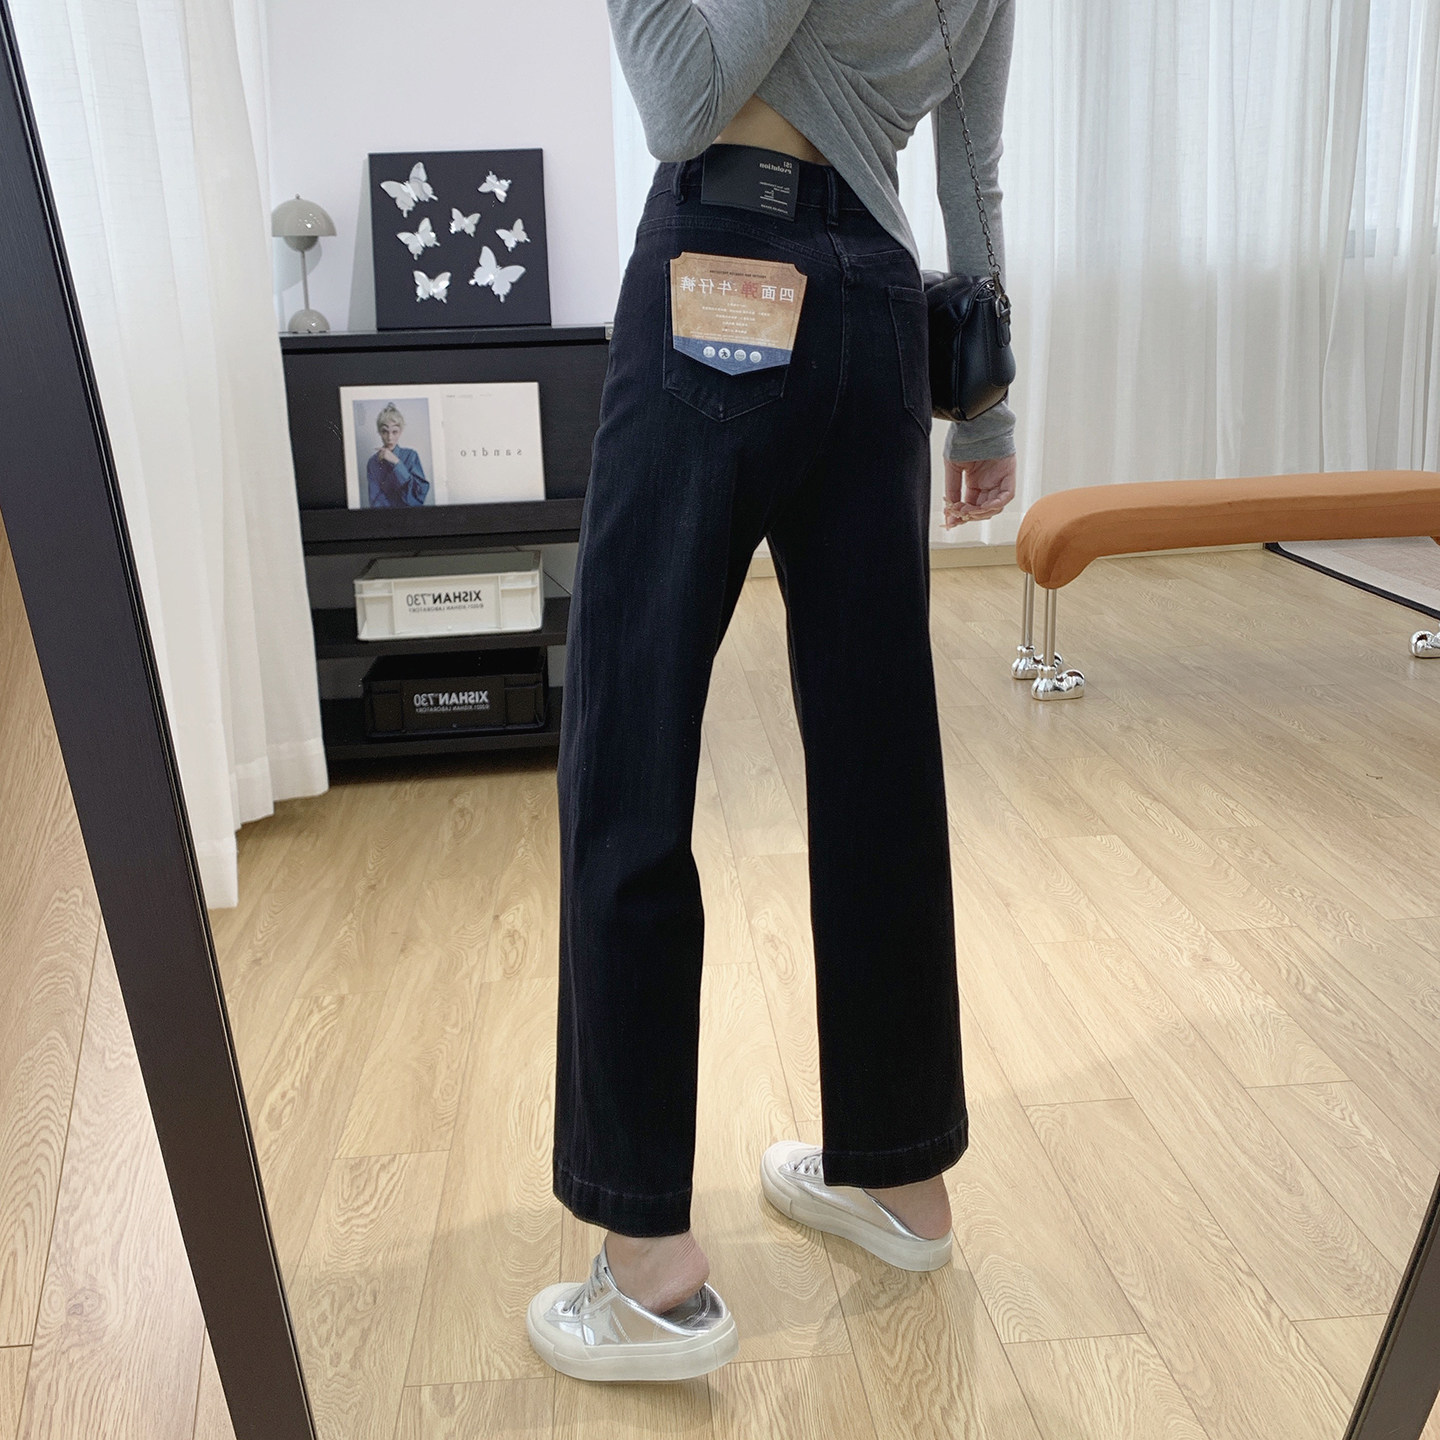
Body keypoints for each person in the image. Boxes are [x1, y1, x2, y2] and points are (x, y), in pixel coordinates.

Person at [529, 0, 1017, 1383]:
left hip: (724, 269)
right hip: (881, 315)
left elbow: (680, 96)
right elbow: (971, 170)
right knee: (879, 766)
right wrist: (988, 405)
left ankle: (648, 1269)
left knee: (630, 746)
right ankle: (902, 1176)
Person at [365, 403, 429, 507]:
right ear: (379, 432)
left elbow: (419, 494)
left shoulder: (411, 456)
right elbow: (374, 501)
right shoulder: (373, 462)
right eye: (385, 431)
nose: (390, 437)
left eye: (394, 432)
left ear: (400, 432)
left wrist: (396, 462)